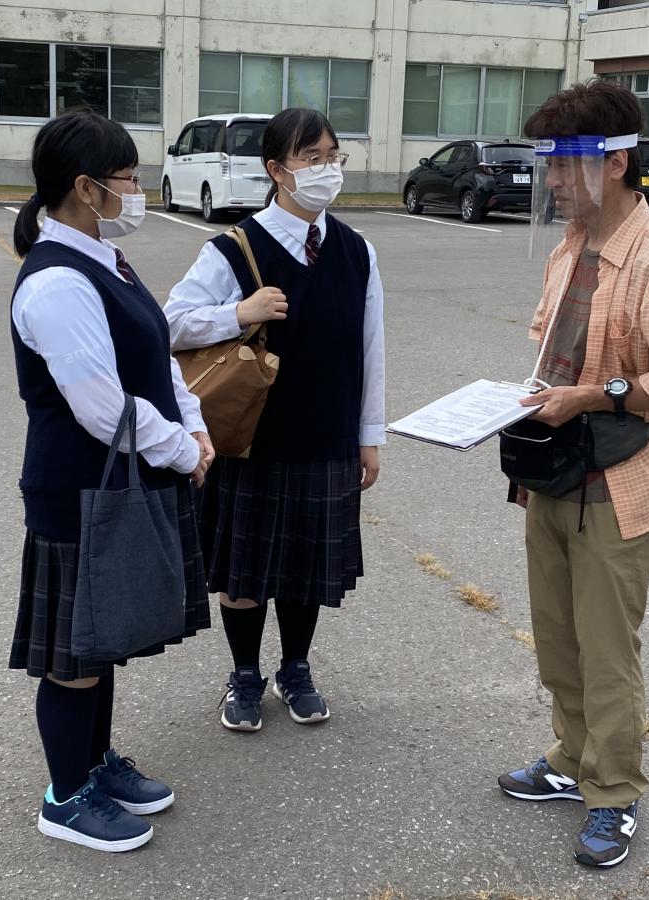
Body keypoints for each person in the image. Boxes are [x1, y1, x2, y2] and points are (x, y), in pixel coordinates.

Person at [496, 81, 649, 868]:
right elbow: (551, 352)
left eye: (565, 167)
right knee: (557, 635)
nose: (552, 182)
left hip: (617, 479)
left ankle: (614, 792)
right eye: (549, 167)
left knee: (606, 646)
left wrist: (592, 395)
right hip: (553, 468)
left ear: (615, 163)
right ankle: (570, 756)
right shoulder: (571, 246)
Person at [8, 109, 214, 852]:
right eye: (127, 177)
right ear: (85, 187)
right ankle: (65, 798)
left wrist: (194, 425)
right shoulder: (56, 283)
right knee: (75, 659)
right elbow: (101, 406)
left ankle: (93, 766)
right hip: (80, 490)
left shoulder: (105, 258)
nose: (137, 189)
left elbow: (156, 356)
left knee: (101, 640)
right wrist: (183, 451)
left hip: (121, 478)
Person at [164, 107, 386, 732]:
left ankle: (295, 668)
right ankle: (244, 673)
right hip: (251, 439)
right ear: (276, 170)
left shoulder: (358, 251)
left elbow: (371, 348)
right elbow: (170, 323)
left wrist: (369, 435)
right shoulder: (233, 248)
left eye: (333, 157)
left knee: (306, 568)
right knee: (243, 569)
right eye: (311, 158)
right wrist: (238, 313)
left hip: (327, 436)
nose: (326, 170)